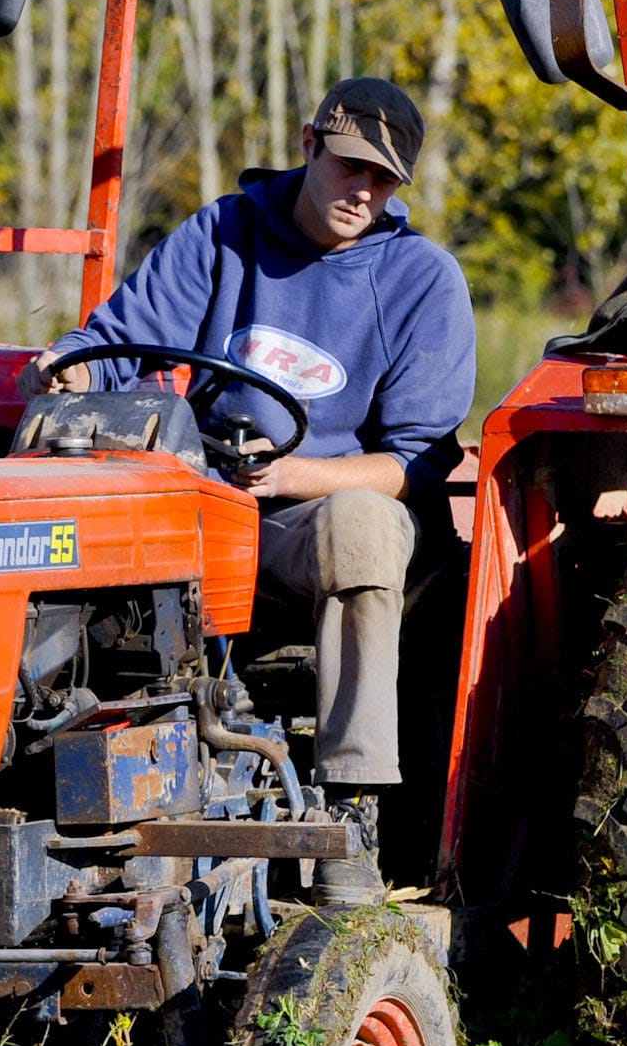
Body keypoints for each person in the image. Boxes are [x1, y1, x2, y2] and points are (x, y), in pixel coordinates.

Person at [39, 78, 474, 880]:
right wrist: (66, 367)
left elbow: (412, 464)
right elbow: (119, 338)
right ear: (309, 143)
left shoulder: (422, 280)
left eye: (381, 180)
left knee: (362, 523)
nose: (361, 191)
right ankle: (47, 773)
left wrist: (292, 475)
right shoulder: (226, 233)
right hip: (206, 497)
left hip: (313, 520)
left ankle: (352, 805)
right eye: (349, 166)